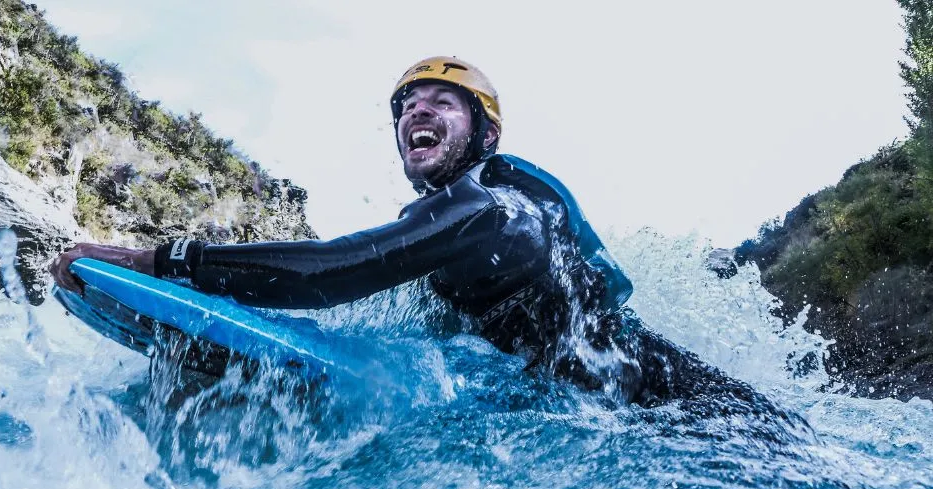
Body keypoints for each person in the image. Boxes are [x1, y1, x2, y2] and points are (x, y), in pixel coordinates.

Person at [51, 56, 768, 410]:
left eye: (442, 103)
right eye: (407, 106)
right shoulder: (455, 221)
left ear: (484, 132)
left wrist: (164, 260)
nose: (418, 113)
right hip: (618, 402)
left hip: (678, 407)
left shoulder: (488, 208)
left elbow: (333, 273)